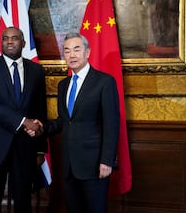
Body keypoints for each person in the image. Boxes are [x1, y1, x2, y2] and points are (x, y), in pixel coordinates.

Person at [28, 32, 120, 213]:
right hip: (69, 165)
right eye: (67, 51)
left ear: (87, 52)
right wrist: (41, 128)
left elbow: (112, 124)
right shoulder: (64, 85)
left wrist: (107, 161)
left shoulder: (105, 82)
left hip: (95, 165)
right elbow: (64, 121)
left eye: (77, 49)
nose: (72, 55)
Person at [0, 26, 47, 213]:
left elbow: (40, 110)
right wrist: (24, 121)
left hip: (24, 147)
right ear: (1, 42)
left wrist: (40, 149)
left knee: (23, 203)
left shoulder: (36, 71)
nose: (10, 41)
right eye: (5, 38)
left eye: (14, 38)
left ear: (23, 43)